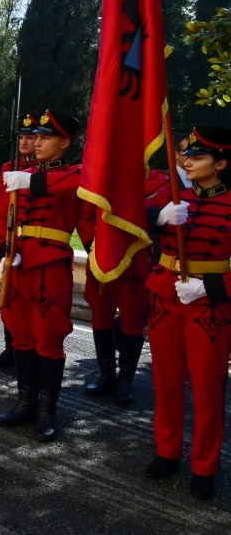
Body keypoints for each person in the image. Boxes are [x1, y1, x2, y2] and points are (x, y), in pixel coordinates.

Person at [144, 126, 231, 501]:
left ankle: (204, 466)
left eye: (199, 156)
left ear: (222, 163)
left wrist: (209, 287)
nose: (187, 160)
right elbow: (127, 223)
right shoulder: (174, 198)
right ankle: (167, 451)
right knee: (165, 381)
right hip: (166, 298)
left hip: (209, 304)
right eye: (186, 154)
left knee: (207, 388)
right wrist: (158, 219)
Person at [0, 109, 86, 442]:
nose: (37, 142)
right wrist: (2, 250)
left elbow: (77, 185)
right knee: (21, 334)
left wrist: (32, 181)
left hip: (50, 266)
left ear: (65, 142)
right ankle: (26, 401)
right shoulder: (21, 174)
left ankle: (47, 410)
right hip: (17, 265)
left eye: (46, 137)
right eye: (36, 137)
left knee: (49, 334)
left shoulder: (76, 174)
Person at [82, 168, 169, 403]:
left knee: (132, 322)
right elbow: (84, 216)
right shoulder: (101, 180)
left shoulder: (160, 184)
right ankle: (106, 374)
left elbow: (161, 215)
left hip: (135, 264)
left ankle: (126, 379)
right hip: (102, 260)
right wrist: (95, 245)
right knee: (101, 318)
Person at [0, 113, 40, 369]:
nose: (25, 142)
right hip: (9, 239)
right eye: (22, 137)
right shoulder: (9, 167)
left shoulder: (43, 169)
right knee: (8, 297)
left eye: (30, 137)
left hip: (35, 245)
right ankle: (11, 348)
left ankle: (29, 351)